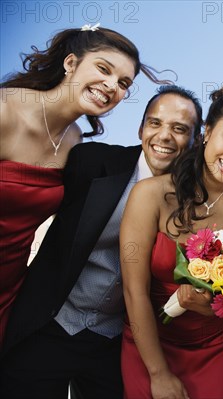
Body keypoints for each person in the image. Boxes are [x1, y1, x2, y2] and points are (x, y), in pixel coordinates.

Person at [0, 85, 202, 398]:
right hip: (48, 327)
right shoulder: (90, 161)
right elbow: (29, 193)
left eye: (179, 129)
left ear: (195, 139)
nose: (164, 136)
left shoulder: (197, 203)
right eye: (155, 123)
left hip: (114, 342)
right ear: (140, 127)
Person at [0, 24, 164, 347]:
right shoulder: (7, 112)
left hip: (10, 286)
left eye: (123, 84)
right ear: (71, 63)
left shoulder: (75, 141)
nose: (111, 86)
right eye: (103, 69)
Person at [120, 83, 223, 399]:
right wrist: (158, 374)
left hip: (216, 349)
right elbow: (132, 289)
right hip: (148, 344)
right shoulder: (148, 194)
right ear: (207, 132)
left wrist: (210, 308)